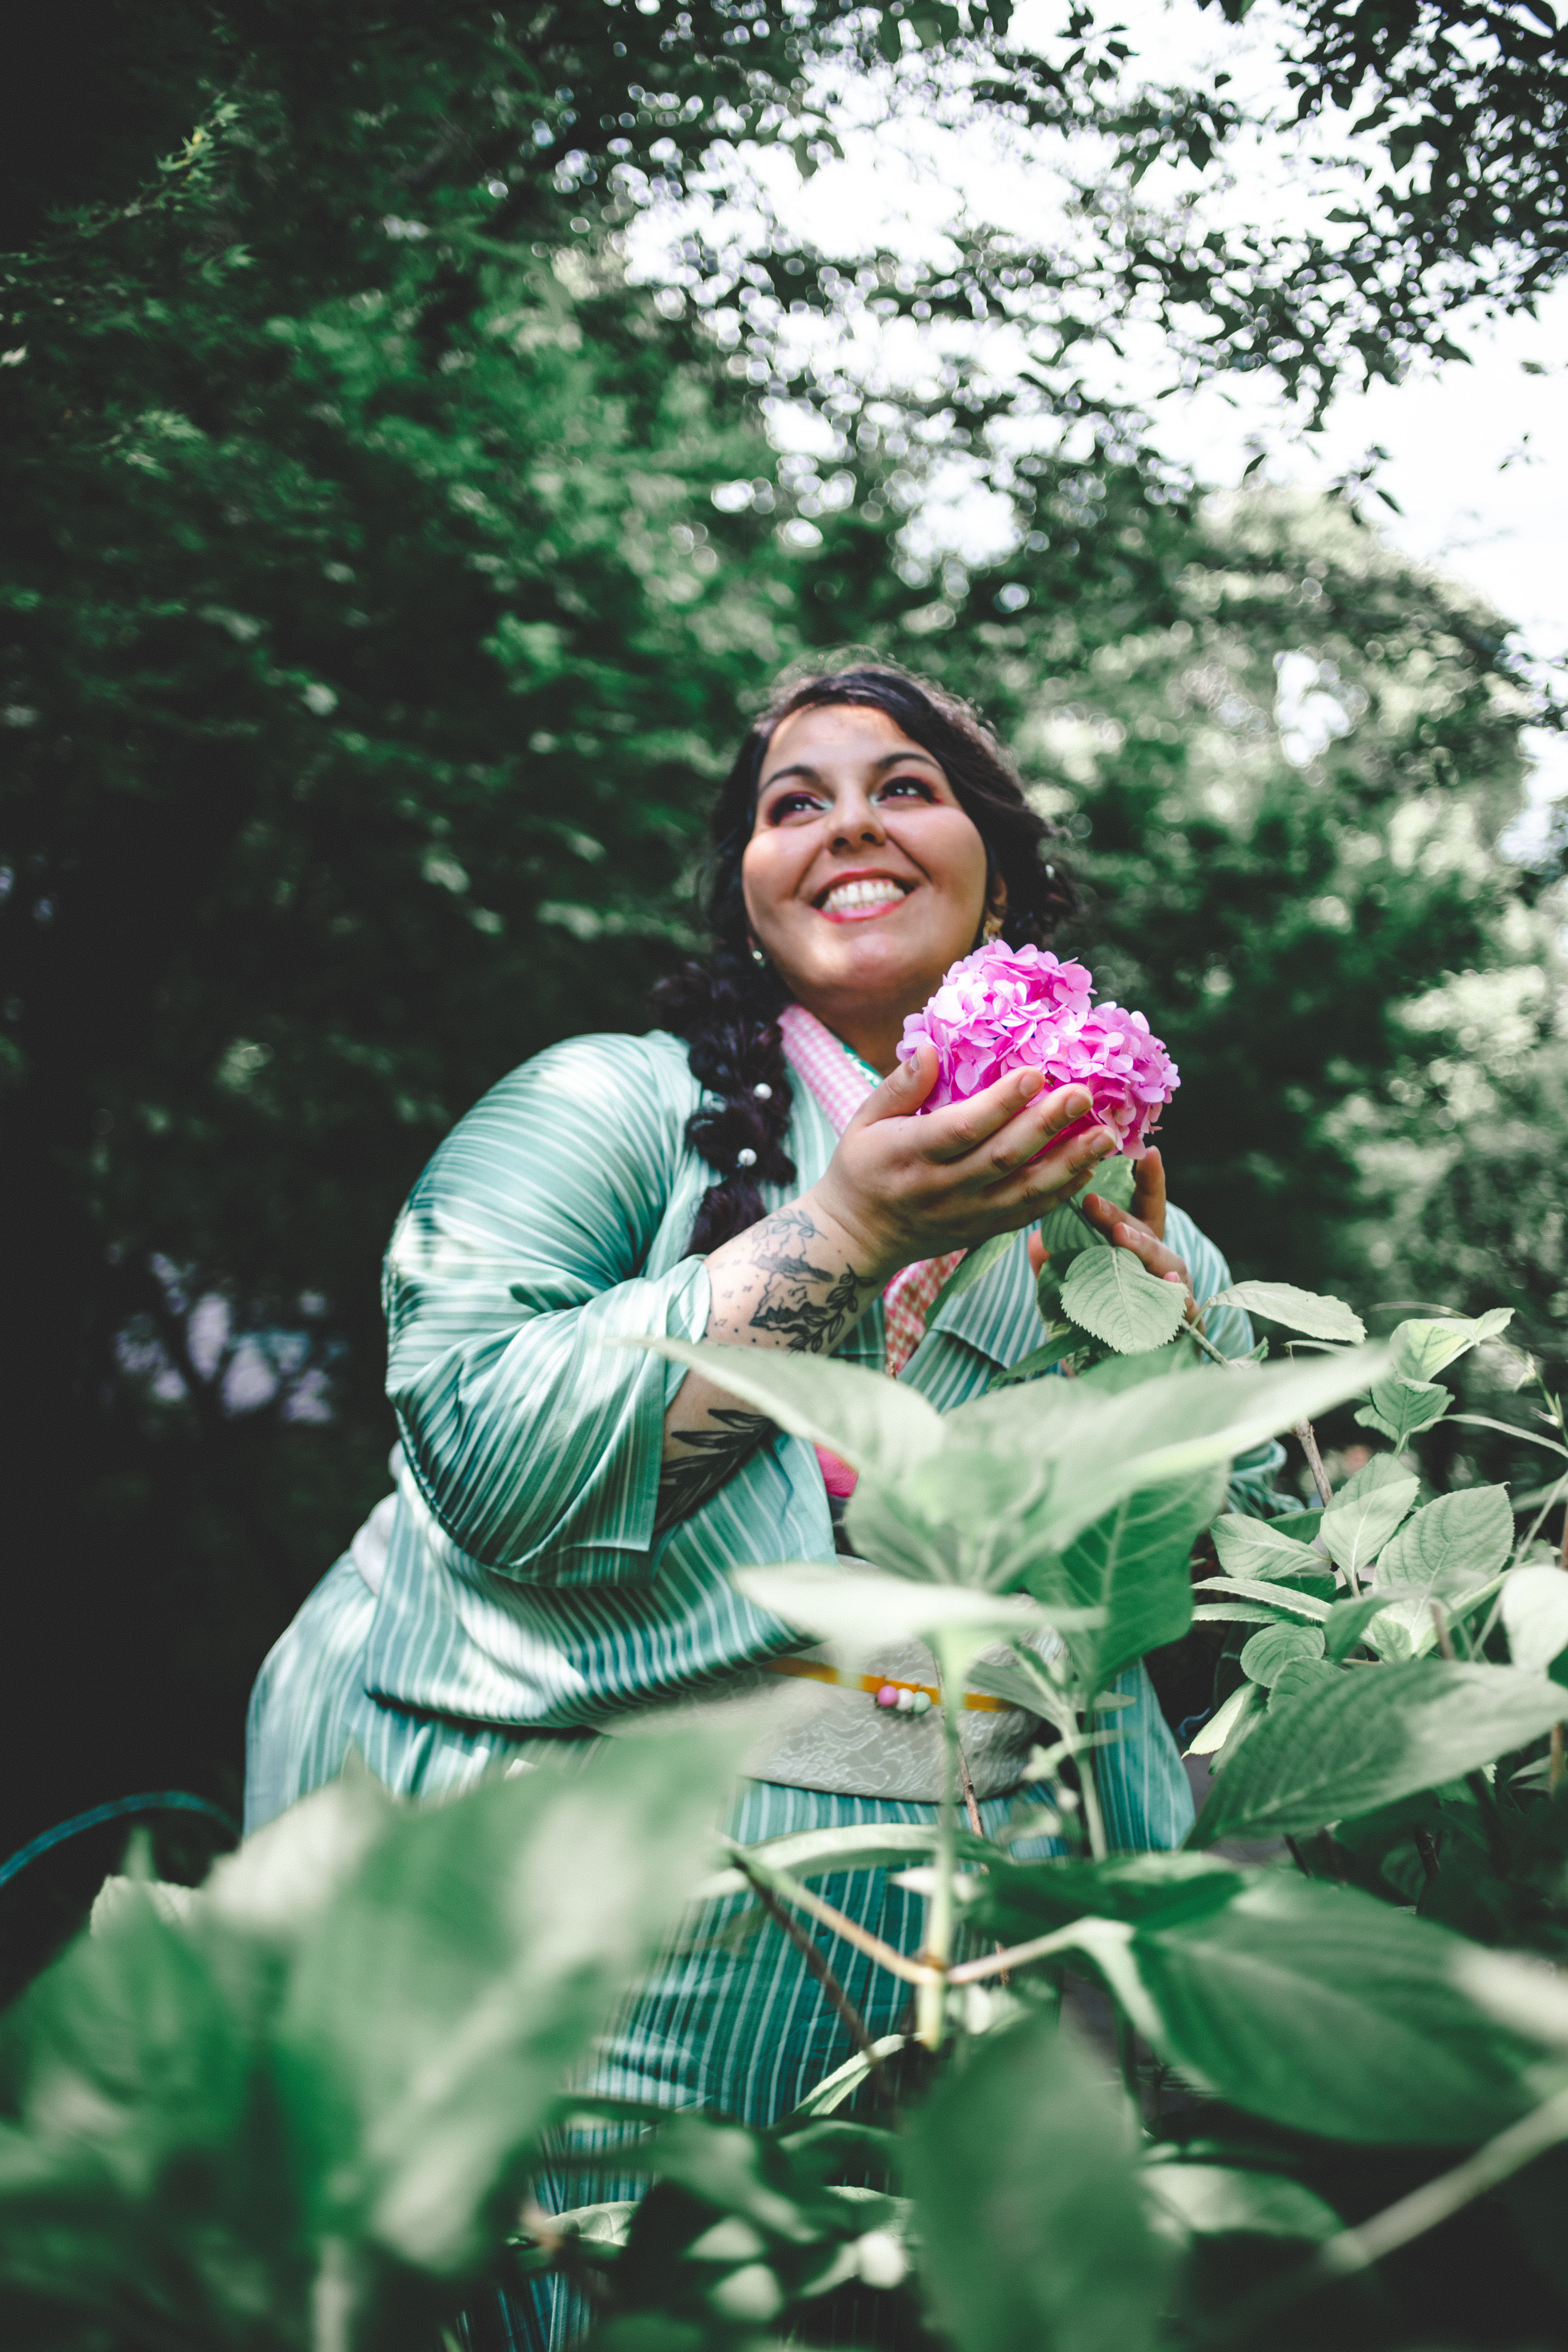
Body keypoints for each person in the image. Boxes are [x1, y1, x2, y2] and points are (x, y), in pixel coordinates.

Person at [245, 661, 1286, 2344]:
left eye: (903, 786)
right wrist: (845, 1237)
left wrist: (1151, 1352)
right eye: (790, 803)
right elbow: (489, 1457)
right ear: (746, 890)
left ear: (997, 875)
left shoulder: (1145, 1231)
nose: (847, 823)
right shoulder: (599, 1107)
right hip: (539, 1942)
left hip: (939, 1988)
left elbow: (1186, 1606)